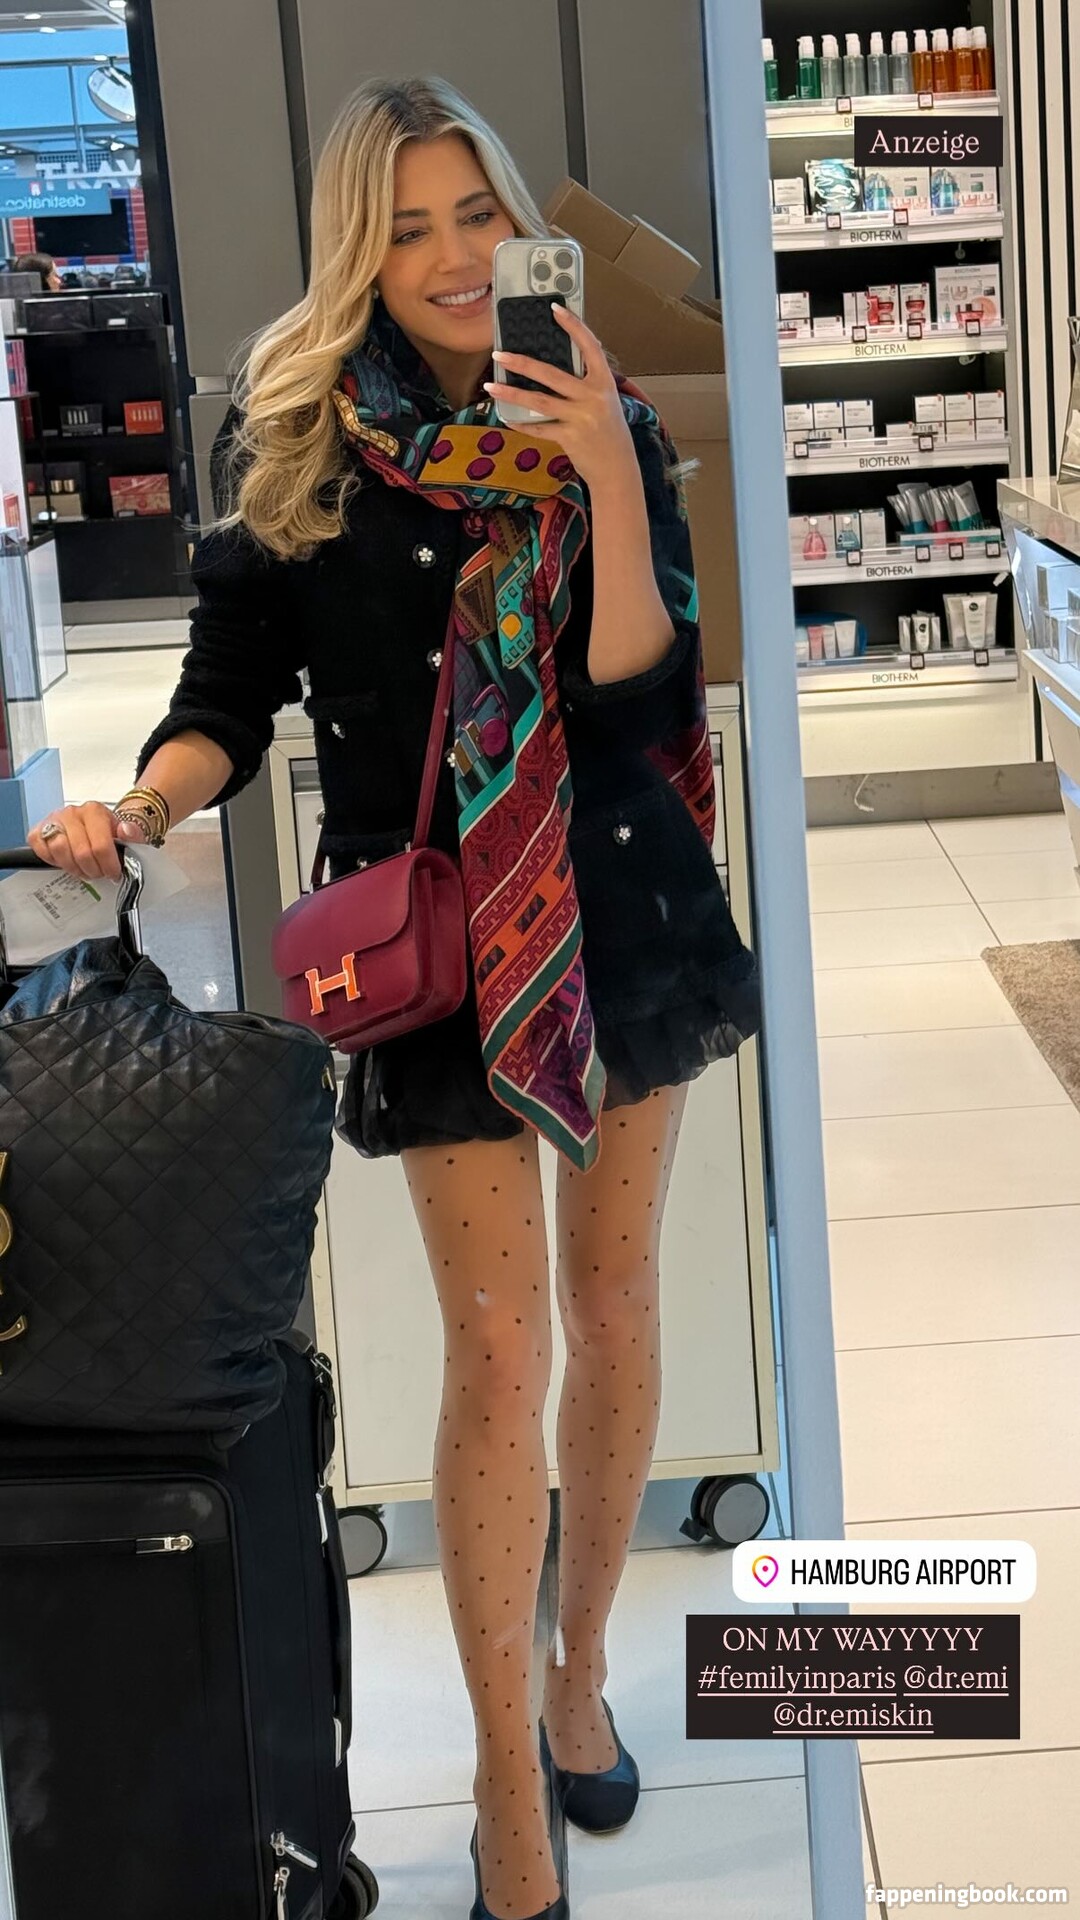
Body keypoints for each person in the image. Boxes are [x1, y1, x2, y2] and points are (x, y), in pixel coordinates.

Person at [29, 75, 757, 1920]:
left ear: (518, 221)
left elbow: (639, 688)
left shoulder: (594, 405)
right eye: (409, 225)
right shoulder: (296, 439)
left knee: (614, 1304)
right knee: (499, 1348)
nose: (451, 257)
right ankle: (505, 1769)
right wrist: (140, 807)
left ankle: (578, 1670)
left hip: (616, 911)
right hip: (434, 950)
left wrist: (605, 465)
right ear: (360, 246)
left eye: (475, 215)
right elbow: (225, 693)